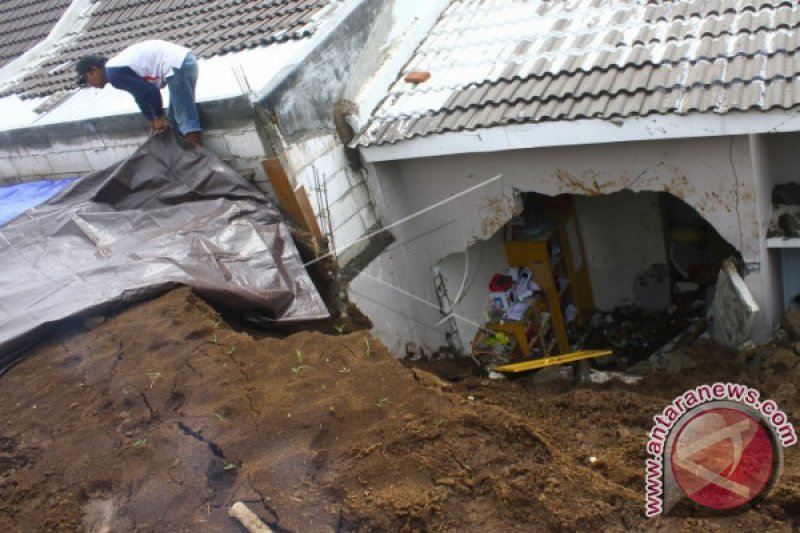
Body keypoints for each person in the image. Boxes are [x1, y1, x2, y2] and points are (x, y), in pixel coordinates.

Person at [76, 40, 202, 144]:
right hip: (181, 62)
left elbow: (151, 92)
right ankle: (186, 159)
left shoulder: (113, 73)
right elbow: (140, 96)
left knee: (185, 118)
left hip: (177, 64)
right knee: (174, 120)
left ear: (94, 70)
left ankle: (197, 164)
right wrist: (150, 119)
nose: (90, 84)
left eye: (87, 79)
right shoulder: (115, 70)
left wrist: (157, 117)